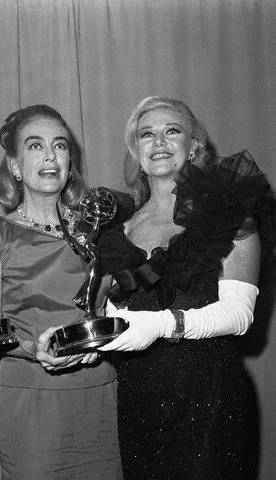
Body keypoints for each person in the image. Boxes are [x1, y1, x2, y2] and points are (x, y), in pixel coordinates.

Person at [97, 95, 275, 479]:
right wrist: (84, 344)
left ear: (193, 145)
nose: (158, 142)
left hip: (211, 396)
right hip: (139, 396)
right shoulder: (119, 230)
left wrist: (162, 325)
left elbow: (239, 314)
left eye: (171, 131)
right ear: (136, 151)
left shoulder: (227, 208)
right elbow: (114, 316)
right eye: (147, 135)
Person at [0, 105, 124, 479]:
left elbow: (114, 310)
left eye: (59, 146)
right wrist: (34, 350)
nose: (49, 155)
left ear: (69, 161)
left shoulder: (98, 232)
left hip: (99, 391)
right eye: (35, 146)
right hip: (32, 398)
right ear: (14, 166)